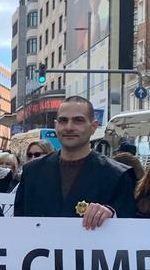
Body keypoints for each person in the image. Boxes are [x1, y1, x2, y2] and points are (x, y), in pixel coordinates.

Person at [14, 97, 136, 228]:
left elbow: (130, 229)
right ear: (56, 125)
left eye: (78, 121)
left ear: (93, 127)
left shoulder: (118, 176)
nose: (69, 127)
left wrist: (112, 215)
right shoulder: (32, 172)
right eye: (63, 120)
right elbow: (19, 227)